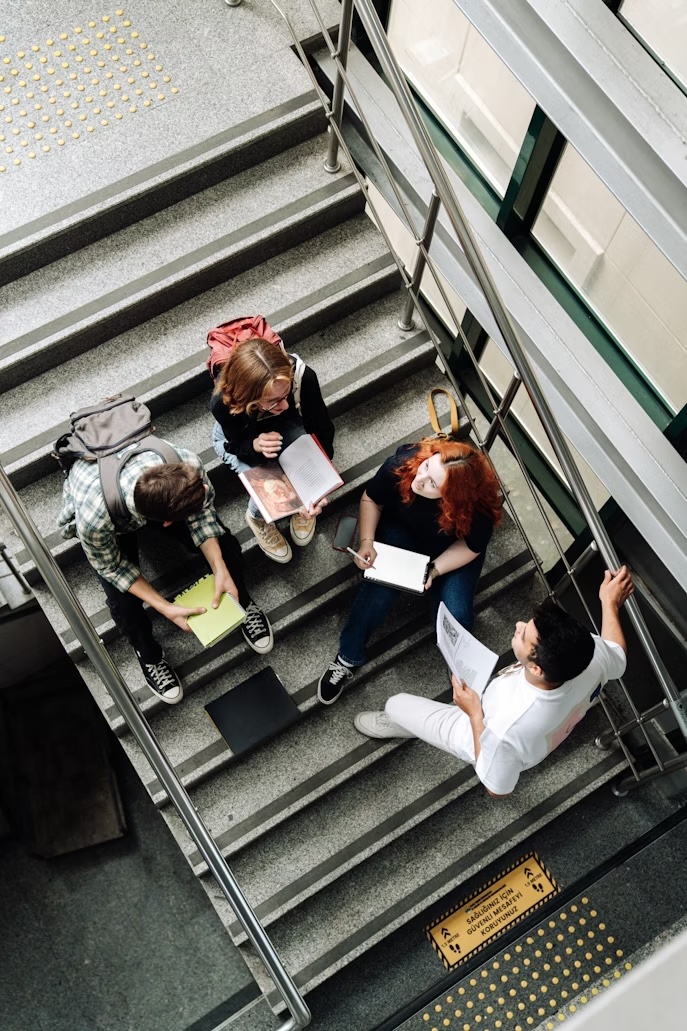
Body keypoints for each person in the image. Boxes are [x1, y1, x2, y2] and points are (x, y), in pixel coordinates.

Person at [354, 567, 634, 797]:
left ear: (536, 668)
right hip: (524, 731)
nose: (518, 626)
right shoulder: (589, 655)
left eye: (525, 636)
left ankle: (402, 723)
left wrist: (475, 715)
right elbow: (617, 655)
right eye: (528, 624)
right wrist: (609, 604)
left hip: (478, 732)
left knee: (396, 704)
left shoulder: (506, 729)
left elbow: (496, 788)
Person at [58, 443, 273, 705]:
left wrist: (220, 569)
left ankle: (242, 603)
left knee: (226, 545)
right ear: (167, 523)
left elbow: (203, 515)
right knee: (122, 603)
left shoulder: (186, 462)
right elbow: (111, 567)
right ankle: (148, 655)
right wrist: (165, 607)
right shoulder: (94, 518)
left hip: (137, 491)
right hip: (111, 512)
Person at [317, 438, 503, 705]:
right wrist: (367, 541)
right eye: (427, 466)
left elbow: (471, 547)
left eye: (432, 484)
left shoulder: (478, 510)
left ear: (453, 498)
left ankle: (463, 686)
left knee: (458, 615)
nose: (420, 478)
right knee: (378, 592)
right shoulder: (406, 464)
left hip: (452, 546)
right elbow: (372, 498)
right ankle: (348, 657)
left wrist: (436, 569)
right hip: (403, 529)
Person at [211, 338, 334, 563]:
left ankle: (300, 506)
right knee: (266, 482)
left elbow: (322, 429)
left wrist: (317, 485)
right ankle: (257, 517)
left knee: (302, 471)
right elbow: (236, 444)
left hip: (287, 428)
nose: (284, 405)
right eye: (273, 401)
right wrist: (255, 445)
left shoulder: (303, 377)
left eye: (286, 394)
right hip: (241, 439)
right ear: (247, 398)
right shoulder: (223, 401)